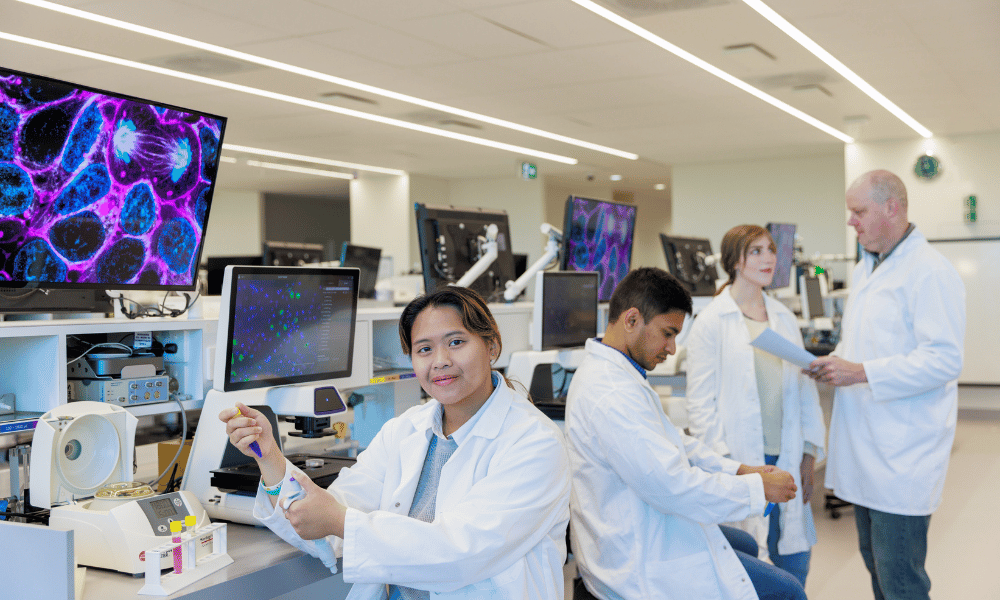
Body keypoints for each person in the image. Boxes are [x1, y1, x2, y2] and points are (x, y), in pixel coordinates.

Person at [222, 286, 571, 600]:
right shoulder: (405, 430)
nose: (440, 361)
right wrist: (269, 457)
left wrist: (339, 521)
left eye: (456, 342)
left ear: (491, 345)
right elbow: (324, 521)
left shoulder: (534, 443)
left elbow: (458, 554)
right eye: (424, 349)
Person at [565, 267, 807, 600]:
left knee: (746, 543)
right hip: (635, 564)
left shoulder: (620, 373)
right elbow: (673, 486)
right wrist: (756, 489)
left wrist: (740, 470)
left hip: (647, 523)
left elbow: (675, 441)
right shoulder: (611, 393)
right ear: (631, 320)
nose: (672, 348)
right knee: (788, 592)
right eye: (668, 333)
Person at [807, 170, 965, 600]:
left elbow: (945, 359)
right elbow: (863, 342)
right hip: (868, 448)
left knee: (900, 580)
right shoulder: (866, 269)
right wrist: (832, 362)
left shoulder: (930, 271)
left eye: (858, 211)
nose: (851, 221)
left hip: (902, 455)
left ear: (891, 208)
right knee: (875, 563)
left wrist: (860, 372)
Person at [685, 224, 826, 586]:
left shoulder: (783, 317)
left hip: (787, 455)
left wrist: (808, 452)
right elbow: (700, 406)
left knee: (795, 561)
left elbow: (804, 388)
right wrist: (727, 466)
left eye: (771, 250)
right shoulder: (712, 321)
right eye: (756, 251)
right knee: (750, 571)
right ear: (734, 261)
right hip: (742, 461)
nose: (769, 259)